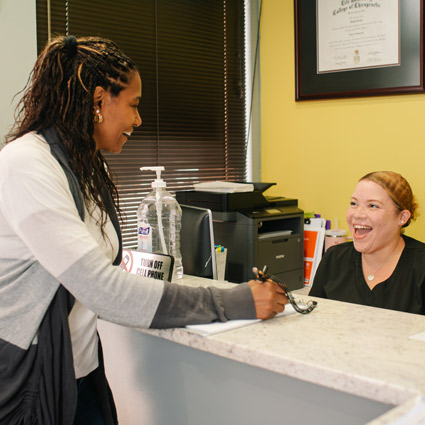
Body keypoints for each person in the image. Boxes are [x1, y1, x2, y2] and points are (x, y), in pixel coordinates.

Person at [0, 35, 287, 425]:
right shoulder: (26, 164)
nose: (138, 120)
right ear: (99, 100)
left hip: (82, 372)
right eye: (133, 105)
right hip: (30, 380)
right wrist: (230, 303)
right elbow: (101, 289)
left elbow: (109, 271)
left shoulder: (87, 165)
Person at [309, 171, 425, 315]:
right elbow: (312, 320)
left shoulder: (421, 265)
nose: (357, 214)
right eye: (354, 203)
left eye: (373, 206)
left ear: (402, 217)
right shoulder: (334, 258)